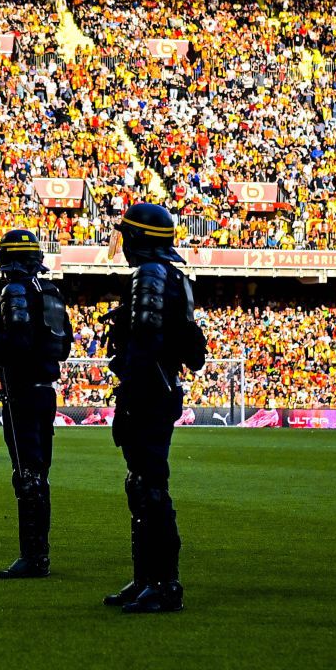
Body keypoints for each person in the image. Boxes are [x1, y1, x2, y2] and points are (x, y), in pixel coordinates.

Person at [102, 203, 207, 613]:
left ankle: (163, 584)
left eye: (126, 236)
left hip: (149, 390)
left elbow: (146, 338)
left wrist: (128, 395)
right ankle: (147, 578)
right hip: (160, 389)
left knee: (148, 487)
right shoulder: (174, 275)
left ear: (139, 240)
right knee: (141, 483)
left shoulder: (149, 274)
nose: (123, 244)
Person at [0, 229, 72, 579]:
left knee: (27, 474)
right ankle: (38, 554)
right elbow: (62, 347)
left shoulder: (14, 290)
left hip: (22, 390)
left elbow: (15, 344)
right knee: (39, 471)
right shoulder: (52, 293)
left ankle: (33, 556)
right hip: (45, 389)